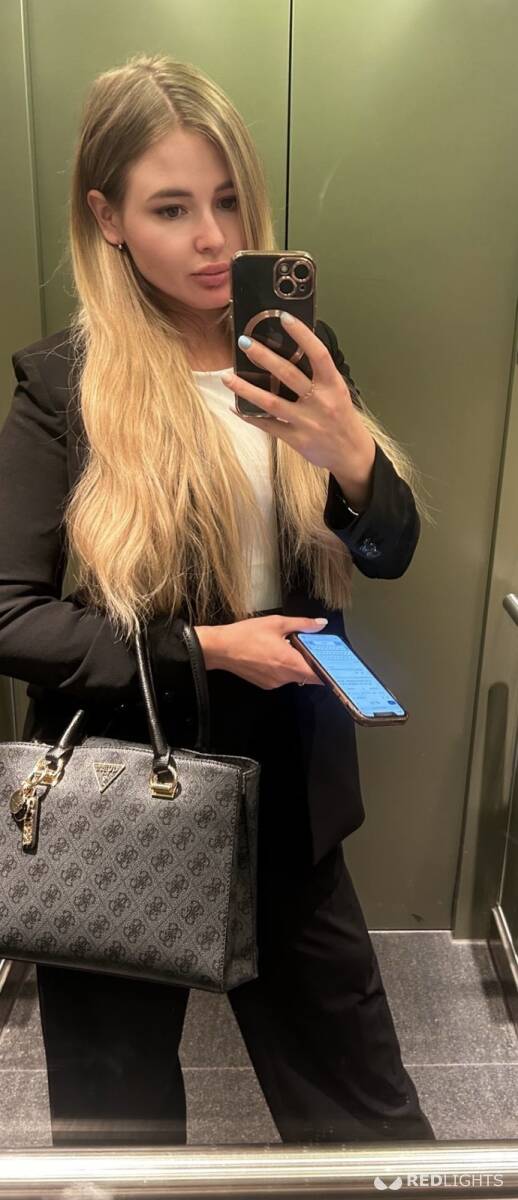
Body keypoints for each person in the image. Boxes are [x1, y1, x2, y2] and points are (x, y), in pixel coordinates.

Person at [0, 53, 436, 1147]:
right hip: (117, 797)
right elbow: (10, 614)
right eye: (171, 208)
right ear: (107, 218)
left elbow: (387, 553)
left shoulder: (298, 360)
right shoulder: (62, 386)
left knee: (367, 1127)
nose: (212, 238)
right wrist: (210, 648)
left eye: (230, 200)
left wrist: (351, 457)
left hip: (288, 800)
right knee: (119, 1136)